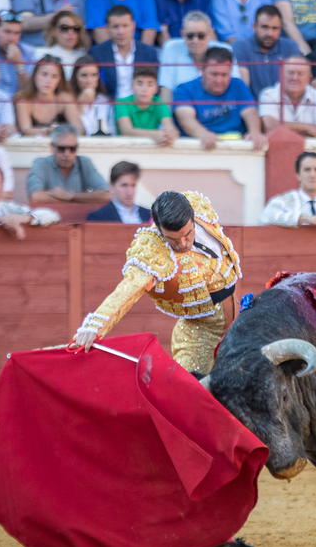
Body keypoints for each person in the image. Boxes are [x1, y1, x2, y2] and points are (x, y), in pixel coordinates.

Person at [72, 190, 243, 381]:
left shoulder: (199, 208)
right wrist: (94, 328)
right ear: (160, 231)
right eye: (173, 240)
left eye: (187, 234)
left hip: (239, 323)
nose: (183, 244)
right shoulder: (153, 250)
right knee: (189, 391)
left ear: (193, 218)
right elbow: (127, 289)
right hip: (199, 334)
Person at [173, 46, 267, 149]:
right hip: (199, 146)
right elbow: (185, 119)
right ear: (202, 69)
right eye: (214, 74)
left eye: (224, 75)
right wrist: (203, 135)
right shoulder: (184, 90)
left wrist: (254, 132)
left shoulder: (238, 85)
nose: (219, 80)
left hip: (236, 146)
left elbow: (250, 112)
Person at [158, 12, 242, 101]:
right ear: (182, 34)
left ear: (210, 34)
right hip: (180, 110)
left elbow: (235, 88)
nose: (195, 41)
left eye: (201, 36)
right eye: (190, 36)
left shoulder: (225, 50)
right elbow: (166, 91)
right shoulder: (171, 48)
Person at [88, 4, 160, 100]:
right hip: (108, 107)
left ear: (133, 26)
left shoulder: (149, 53)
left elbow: (154, 86)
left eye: (125, 26)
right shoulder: (97, 53)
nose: (121, 31)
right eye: (115, 27)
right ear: (108, 28)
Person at [27, 123, 111, 203]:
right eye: (61, 148)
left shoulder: (85, 163)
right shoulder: (41, 163)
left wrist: (71, 195)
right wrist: (78, 200)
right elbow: (35, 197)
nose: (67, 154)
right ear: (52, 147)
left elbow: (107, 195)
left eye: (72, 148)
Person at [258, 55, 316, 137]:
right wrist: (308, 127)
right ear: (281, 75)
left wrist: (283, 128)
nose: (295, 78)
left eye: (300, 74)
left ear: (309, 79)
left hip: (312, 150)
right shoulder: (268, 95)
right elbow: (270, 126)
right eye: (290, 73)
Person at [231, 5, 299, 98]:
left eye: (275, 28)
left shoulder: (290, 46)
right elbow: (244, 87)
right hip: (253, 107)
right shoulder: (241, 46)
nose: (269, 33)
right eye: (265, 27)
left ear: (280, 29)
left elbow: (297, 84)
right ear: (255, 27)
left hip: (284, 106)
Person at [15, 55, 84, 135]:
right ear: (35, 75)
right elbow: (25, 130)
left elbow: (80, 130)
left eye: (54, 76)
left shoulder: (64, 99)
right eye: (44, 74)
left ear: (60, 80)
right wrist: (48, 131)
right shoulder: (24, 99)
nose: (48, 81)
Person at [115, 65, 179, 142]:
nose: (144, 89)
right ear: (132, 86)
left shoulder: (160, 103)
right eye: (139, 84)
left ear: (156, 88)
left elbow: (170, 127)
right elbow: (126, 131)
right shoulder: (122, 103)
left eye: (150, 84)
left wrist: (169, 135)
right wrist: (155, 135)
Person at [86, 160, 152, 222]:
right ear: (111, 187)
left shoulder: (150, 215)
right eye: (124, 185)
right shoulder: (97, 217)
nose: (129, 192)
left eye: (133, 185)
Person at [36, 9, 91, 78]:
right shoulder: (40, 55)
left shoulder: (83, 57)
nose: (71, 33)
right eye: (64, 28)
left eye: (76, 28)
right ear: (53, 31)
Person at [71, 53, 113, 135]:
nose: (89, 81)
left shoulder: (105, 102)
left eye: (94, 75)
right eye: (84, 75)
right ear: (75, 77)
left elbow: (110, 131)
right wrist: (80, 104)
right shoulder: (68, 100)